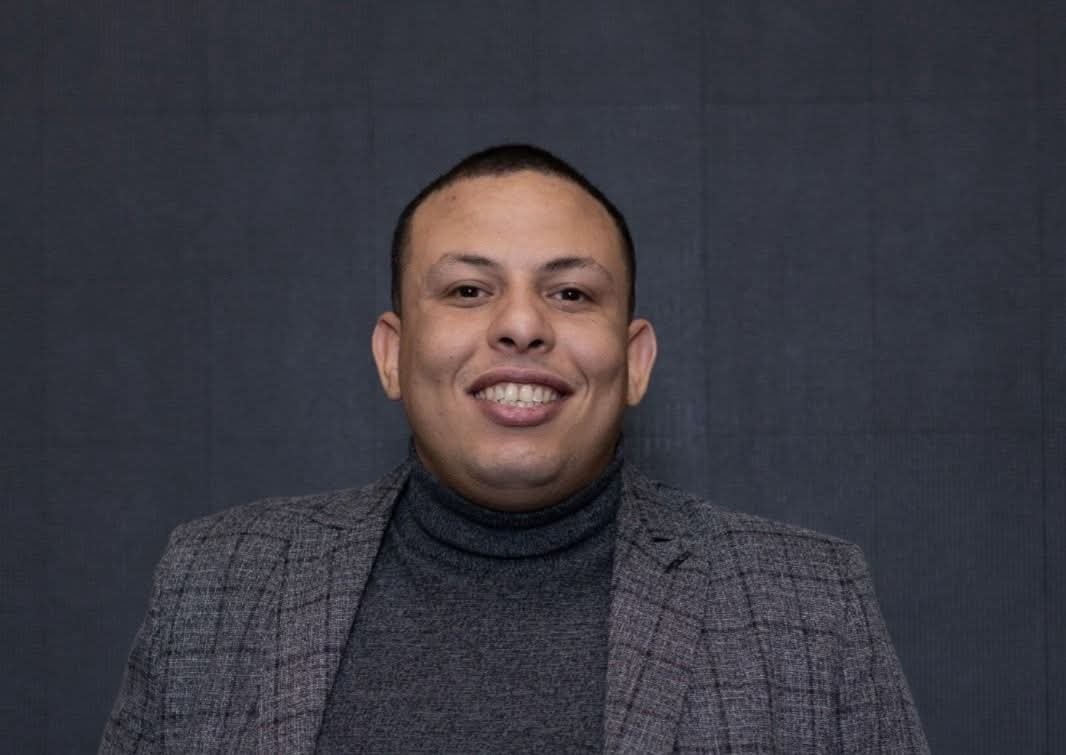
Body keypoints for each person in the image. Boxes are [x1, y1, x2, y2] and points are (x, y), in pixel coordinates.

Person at [101, 144, 928, 753]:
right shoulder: (216, 585)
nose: (523, 324)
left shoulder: (812, 609)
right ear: (392, 353)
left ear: (636, 360)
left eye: (570, 292)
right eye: (468, 289)